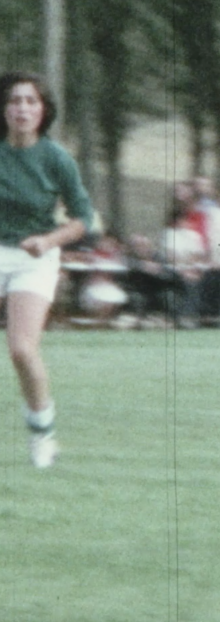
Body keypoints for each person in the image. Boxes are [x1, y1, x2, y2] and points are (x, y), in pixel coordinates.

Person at [0, 71, 95, 468]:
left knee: (22, 349)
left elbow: (83, 219)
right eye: (15, 100)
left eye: (31, 101)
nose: (22, 108)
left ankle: (43, 434)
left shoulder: (56, 159)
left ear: (44, 110)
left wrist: (48, 241)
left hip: (34, 256)